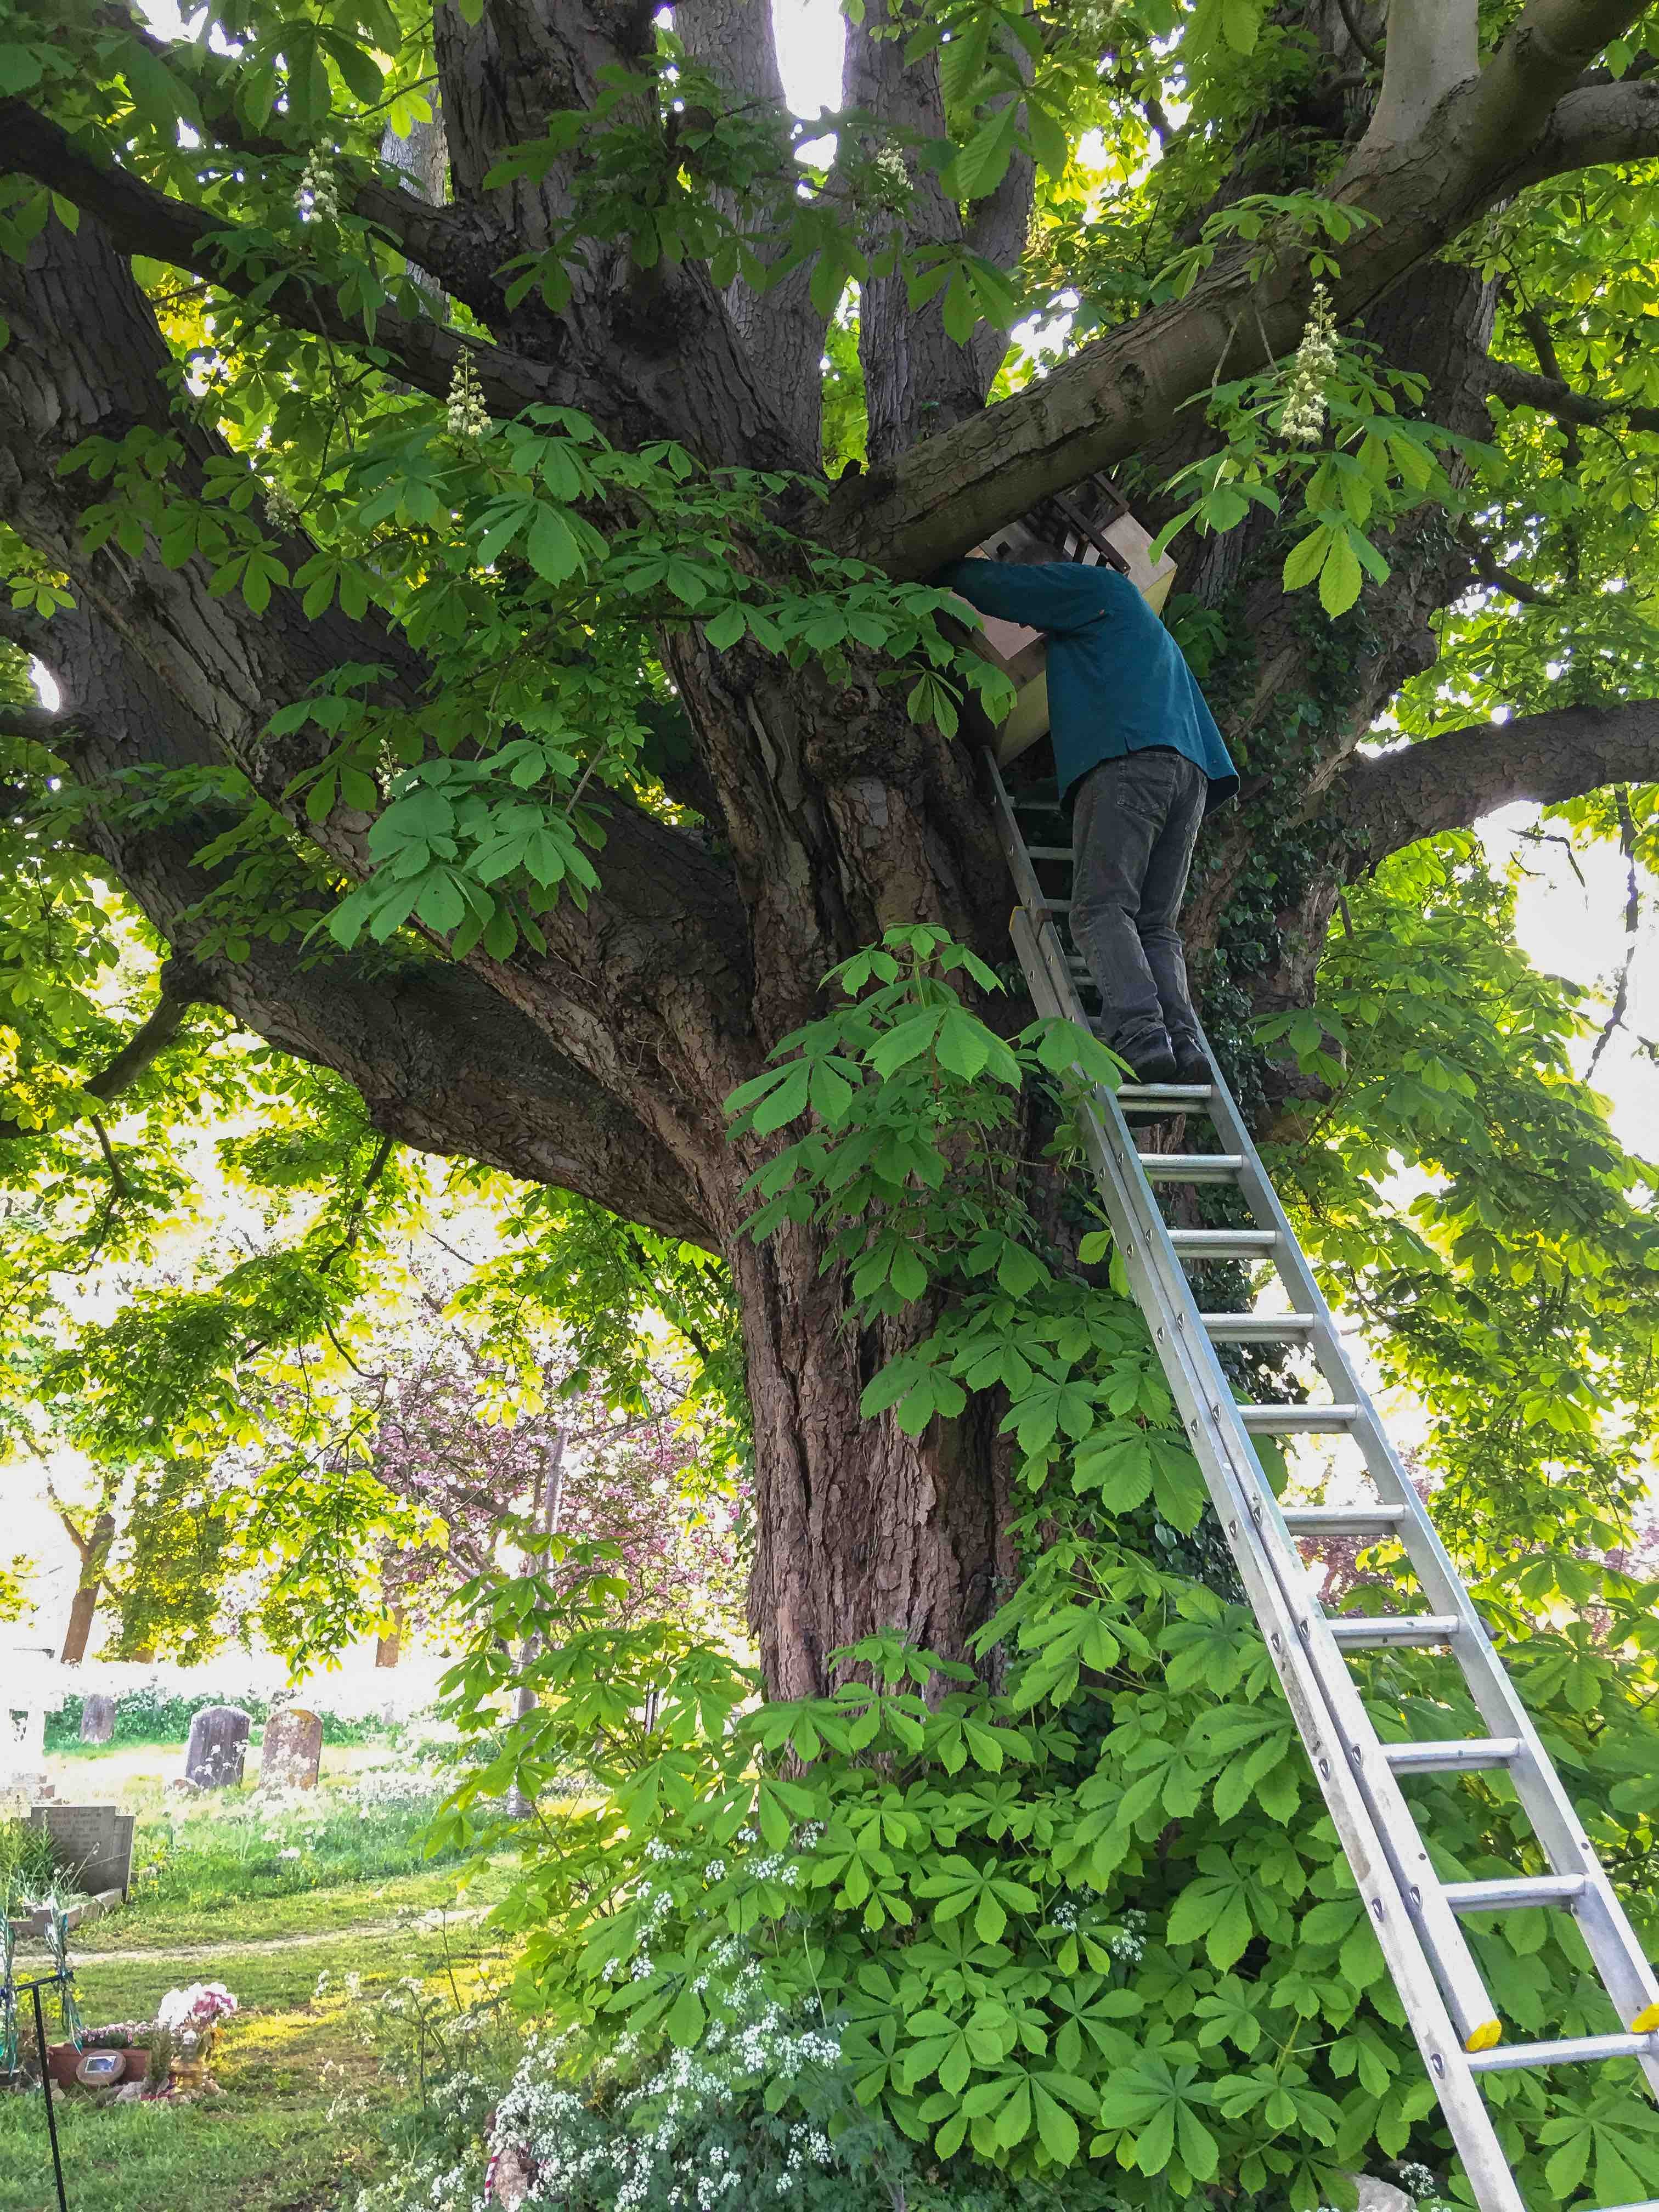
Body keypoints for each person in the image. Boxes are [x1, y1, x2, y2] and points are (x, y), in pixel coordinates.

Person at [935, 532, 1238, 1086]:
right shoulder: (1139, 632)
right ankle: (1184, 1040)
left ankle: (1140, 1034)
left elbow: (1008, 590)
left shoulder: (1096, 586)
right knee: (1156, 925)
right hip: (1190, 775)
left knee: (1100, 909)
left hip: (1129, 758)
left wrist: (938, 566)